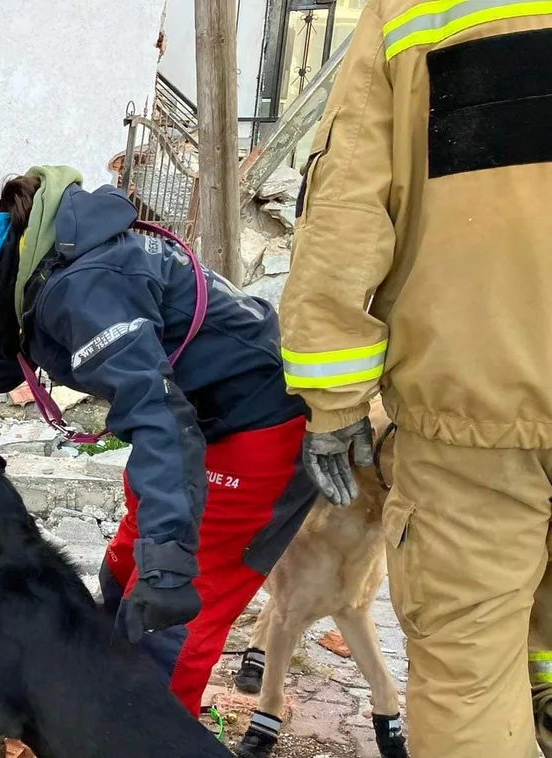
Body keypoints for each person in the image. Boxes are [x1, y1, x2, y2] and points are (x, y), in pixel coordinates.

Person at [0, 155, 318, 718]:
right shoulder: (31, 275)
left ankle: (144, 733)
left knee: (170, 625)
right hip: (192, 424)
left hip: (257, 428)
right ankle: (100, 712)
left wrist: (172, 557)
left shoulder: (81, 290)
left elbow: (156, 418)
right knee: (121, 575)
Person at [276, 3, 552, 757]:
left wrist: (333, 408)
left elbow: (344, 210)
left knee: (467, 676)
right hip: (480, 403)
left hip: (475, 408)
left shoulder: (417, 11)